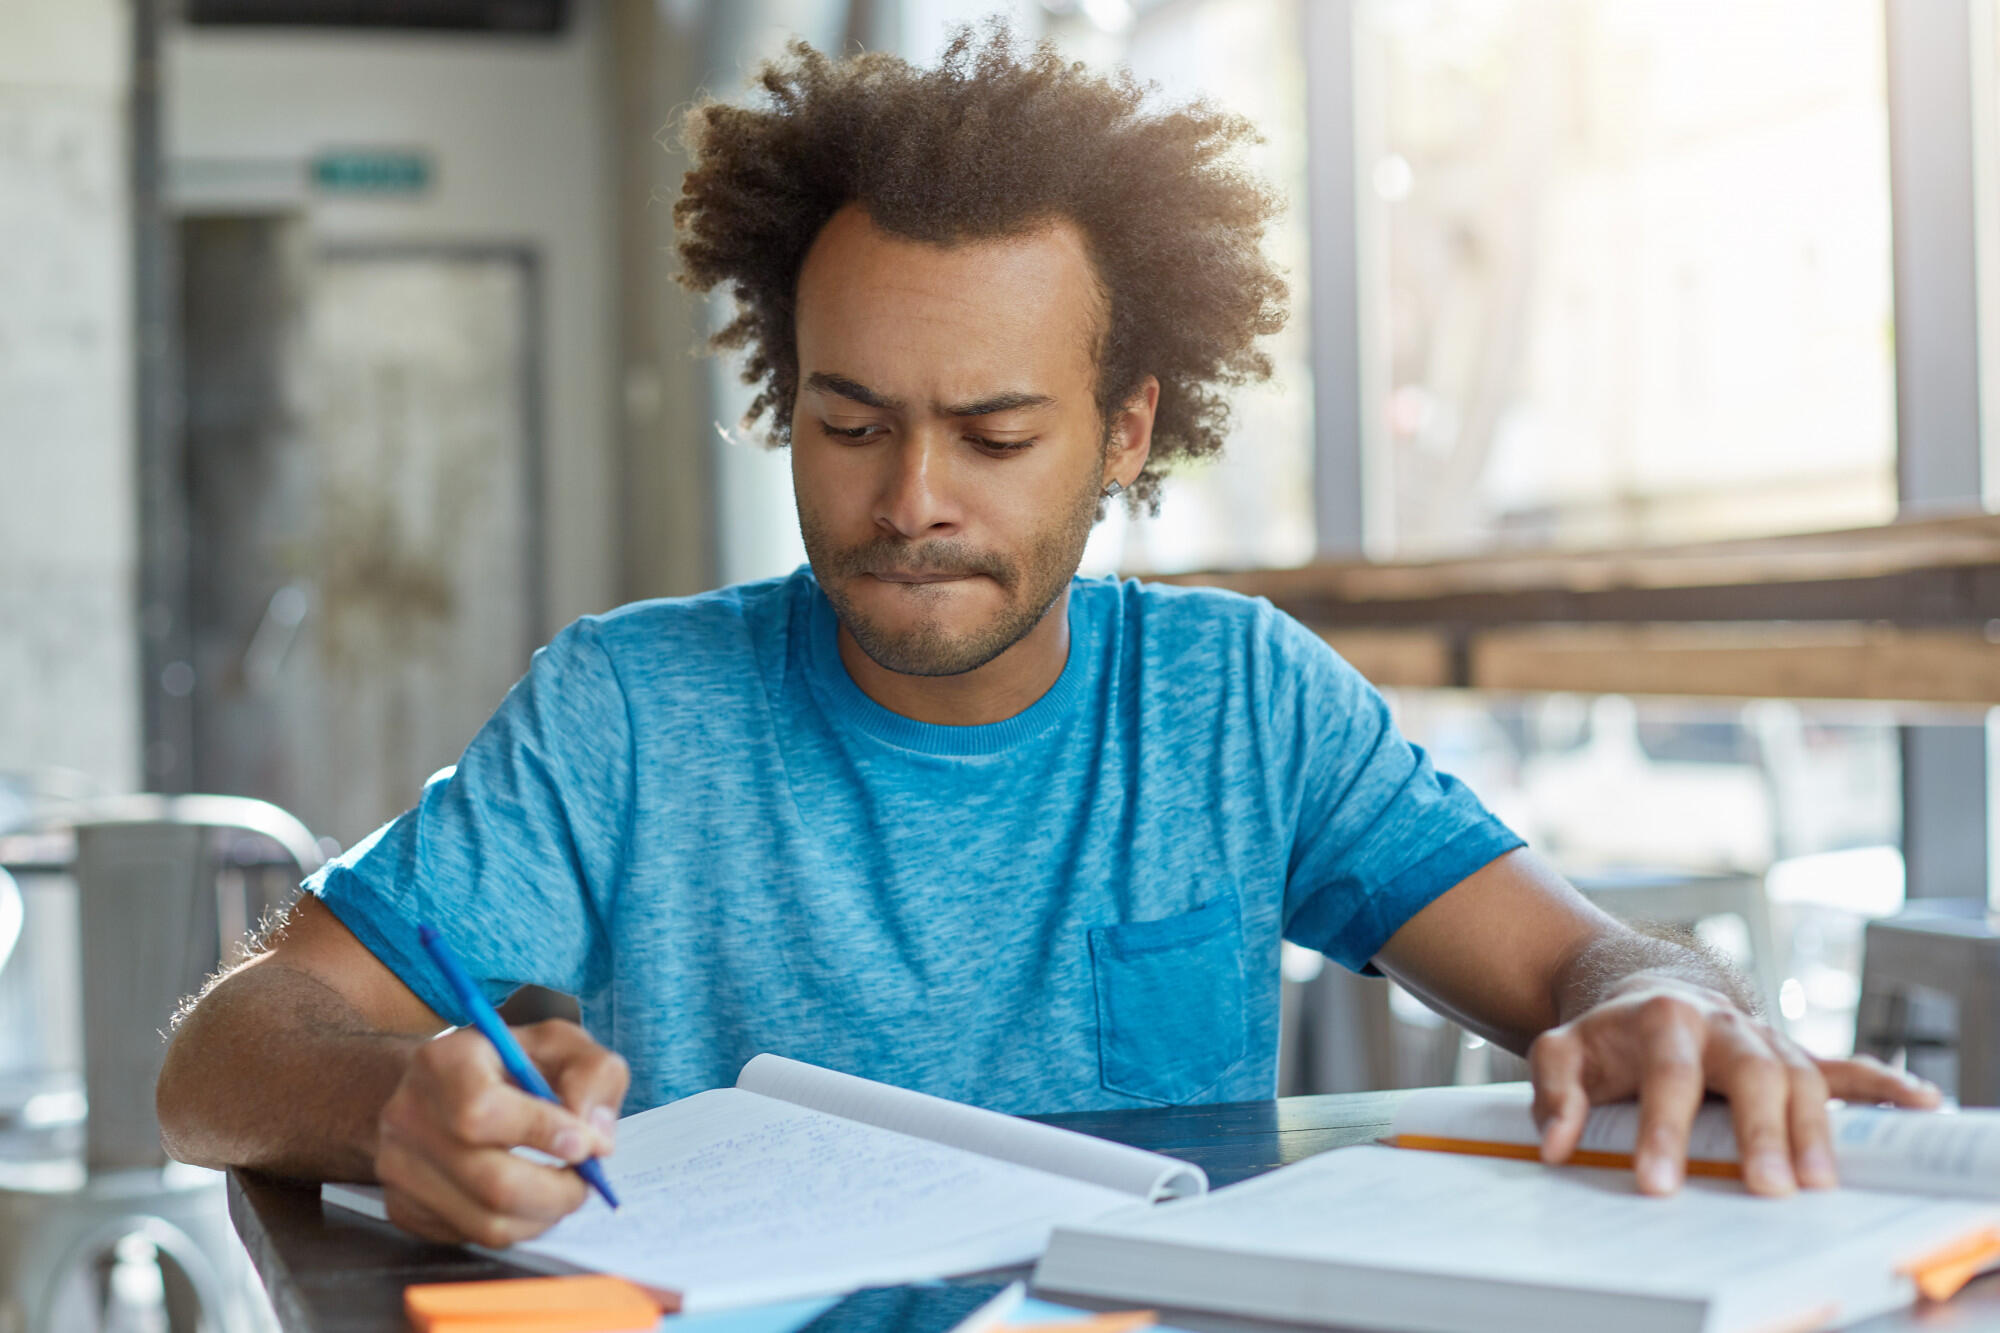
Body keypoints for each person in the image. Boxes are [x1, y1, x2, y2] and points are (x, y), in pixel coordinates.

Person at [156, 26, 1937, 1250]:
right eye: (850, 424)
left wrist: (1669, 1000)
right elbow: (221, 1054)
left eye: (997, 435)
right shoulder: (631, 710)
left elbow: (1587, 966)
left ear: (1132, 430)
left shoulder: (1239, 700)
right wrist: (400, 1100)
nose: (910, 495)